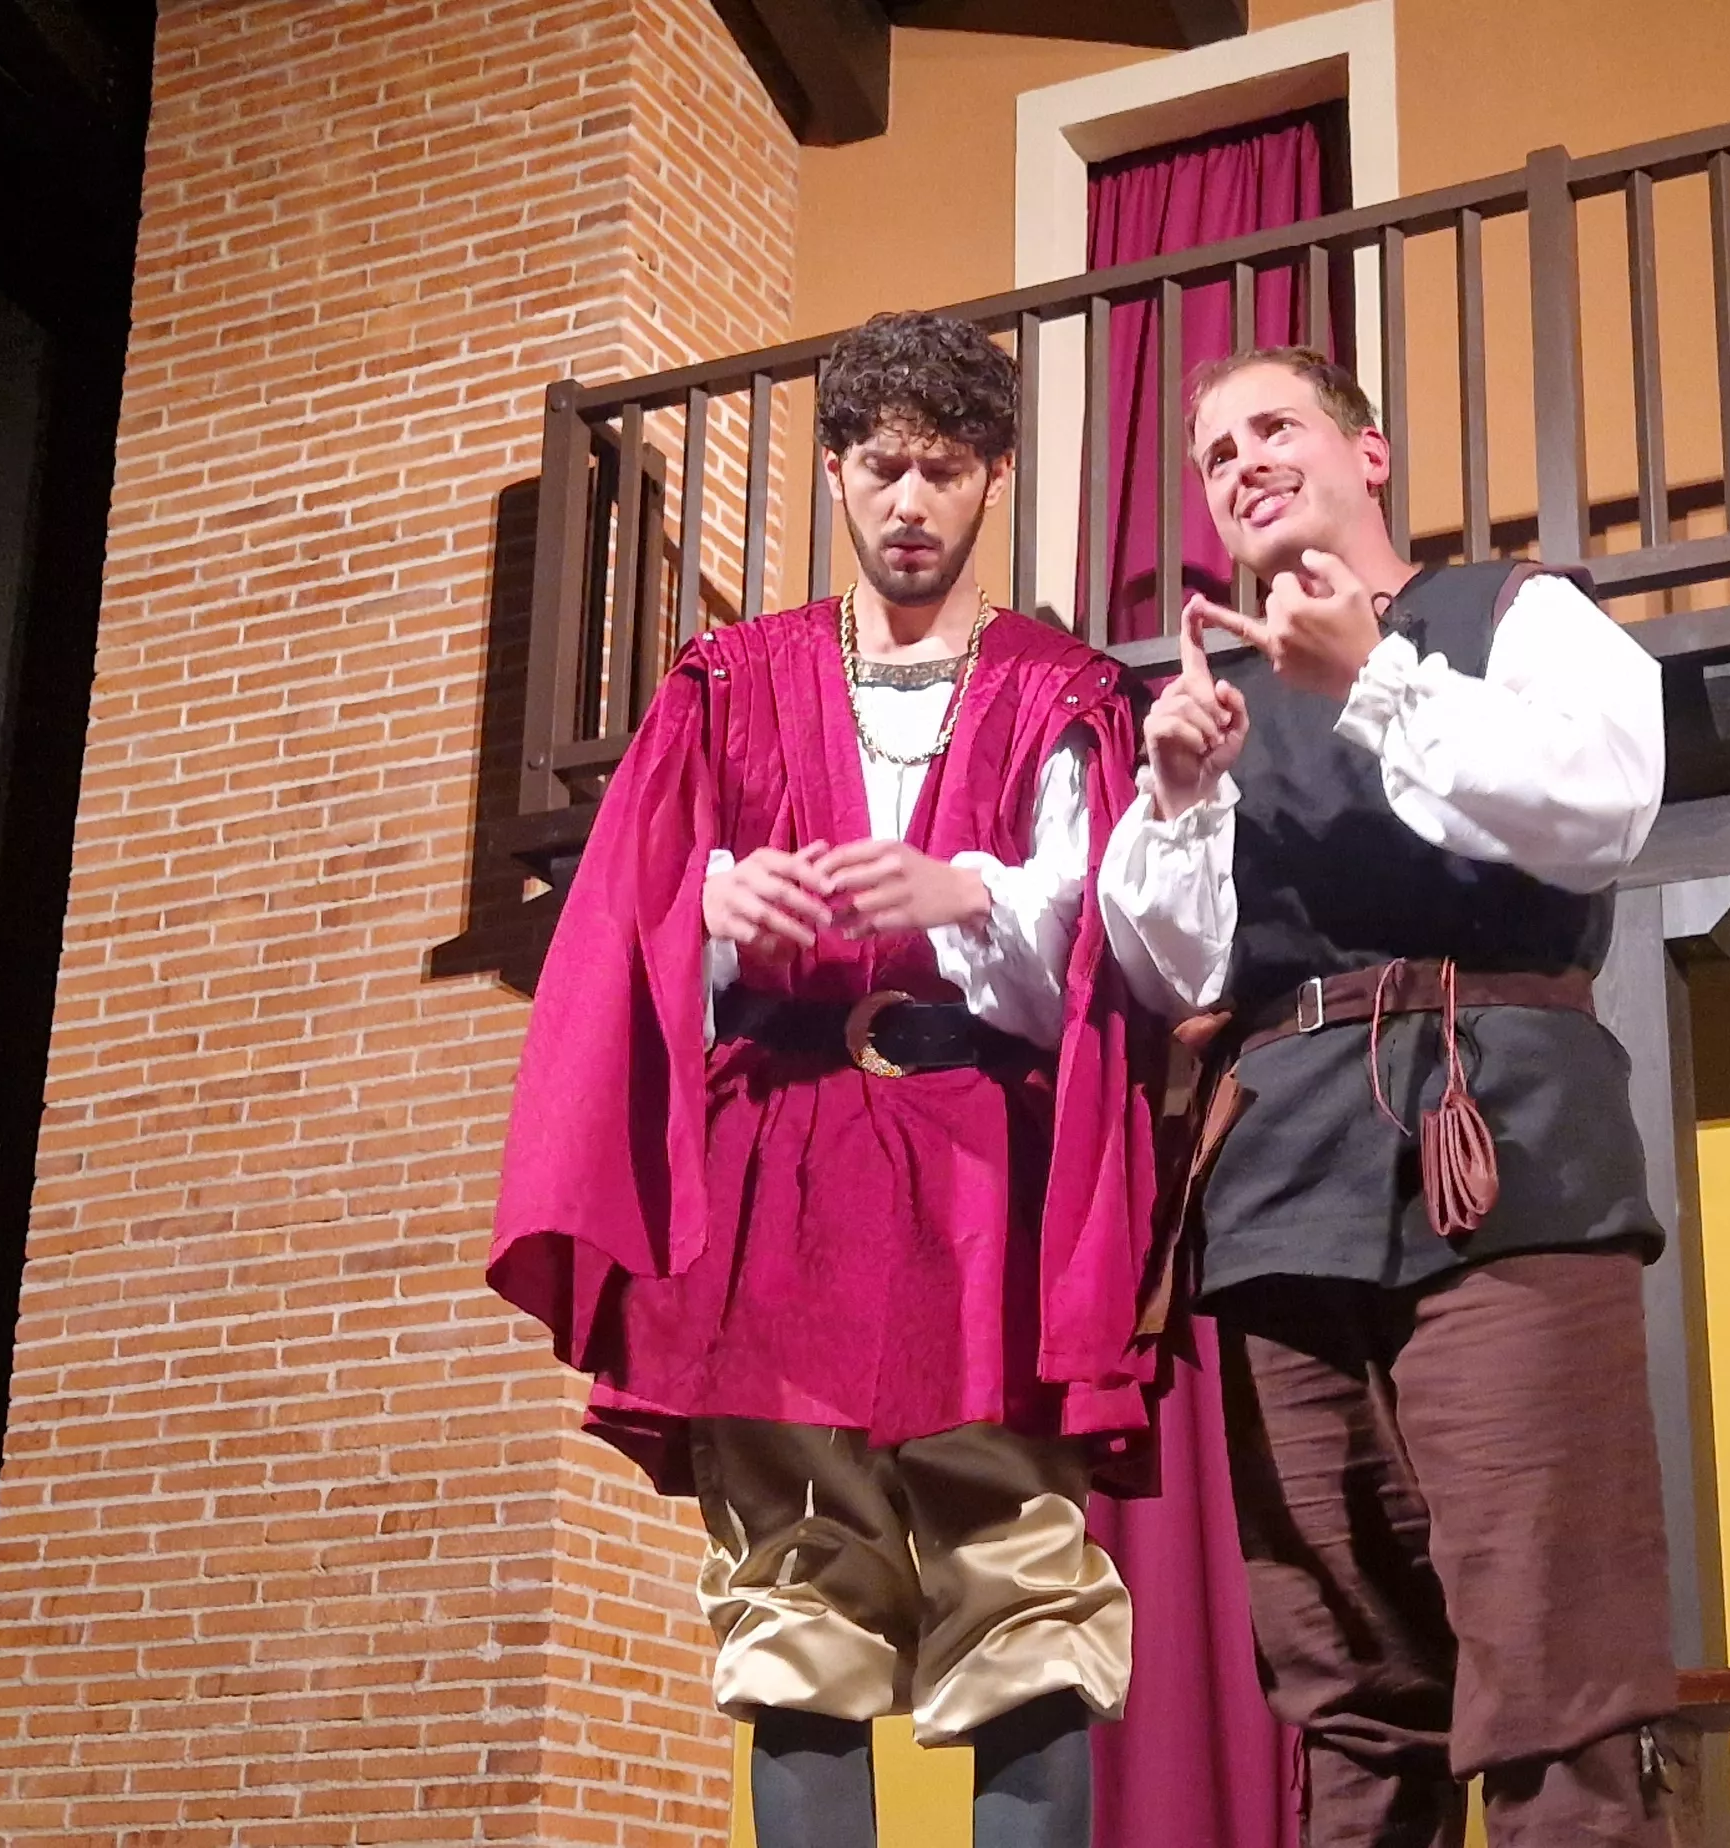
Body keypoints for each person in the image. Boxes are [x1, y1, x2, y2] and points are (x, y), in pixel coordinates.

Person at [491, 311, 1164, 1848]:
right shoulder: (729, 680)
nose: (908, 501)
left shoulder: (1064, 690)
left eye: (940, 468)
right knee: (797, 1590)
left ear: (991, 475)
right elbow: (629, 911)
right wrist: (713, 912)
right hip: (779, 1157)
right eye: (879, 467)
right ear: (841, 473)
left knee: (1017, 1585)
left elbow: (1105, 931)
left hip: (979, 1163)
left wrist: (969, 896)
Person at [1097, 345, 1678, 1845]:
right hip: (1285, 1178)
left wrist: (1377, 678)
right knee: (1347, 1692)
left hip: (1501, 1145)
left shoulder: (1508, 613)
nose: (1241, 462)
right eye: (1216, 453)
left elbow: (1603, 802)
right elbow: (1175, 970)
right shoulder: (1211, 702)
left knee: (1554, 1667)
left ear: (1372, 455)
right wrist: (1173, 796)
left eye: (1274, 427)